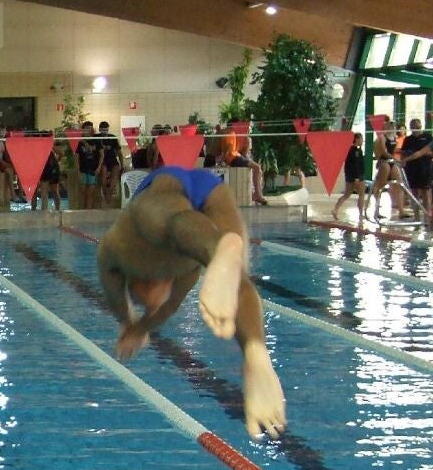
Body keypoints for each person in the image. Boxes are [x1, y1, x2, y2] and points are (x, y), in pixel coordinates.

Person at [97, 166, 286, 439]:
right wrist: (139, 327)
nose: (152, 305)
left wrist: (129, 323)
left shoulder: (122, 250)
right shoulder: (184, 273)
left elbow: (118, 297)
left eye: (145, 300)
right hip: (211, 191)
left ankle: (220, 247)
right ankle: (256, 352)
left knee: (165, 223)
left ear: (139, 284)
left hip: (163, 187)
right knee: (234, 277)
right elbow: (168, 308)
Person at [331, 133, 366, 222]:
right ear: (356, 139)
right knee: (361, 195)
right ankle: (361, 214)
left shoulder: (349, 150)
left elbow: (348, 165)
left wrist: (349, 176)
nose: (362, 141)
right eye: (361, 139)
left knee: (347, 194)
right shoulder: (356, 151)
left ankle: (335, 209)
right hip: (357, 176)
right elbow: (356, 165)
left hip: (350, 176)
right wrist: (357, 177)